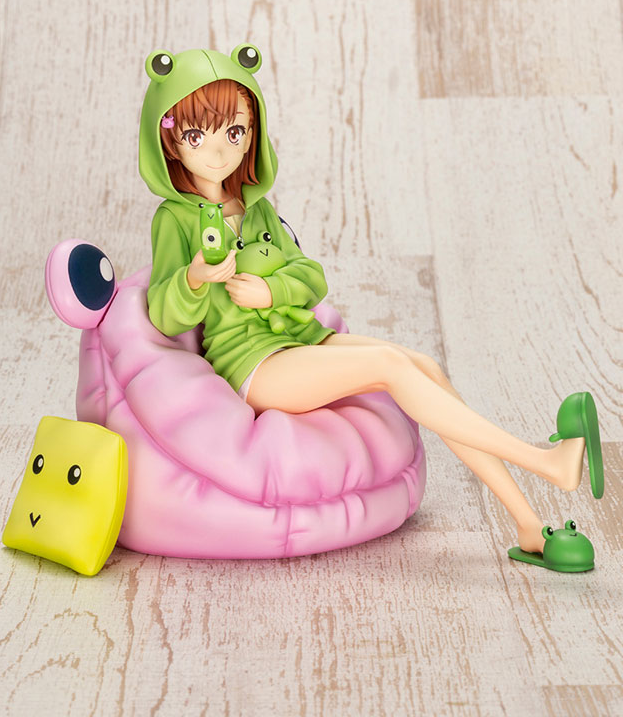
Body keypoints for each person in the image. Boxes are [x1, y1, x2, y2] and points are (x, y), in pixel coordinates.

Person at [140, 44, 603, 570]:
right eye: (196, 136)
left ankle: (527, 525)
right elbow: (164, 314)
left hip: (299, 339)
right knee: (388, 366)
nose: (218, 152)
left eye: (235, 132)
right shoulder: (174, 219)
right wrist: (195, 278)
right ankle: (546, 462)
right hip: (252, 365)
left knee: (422, 365)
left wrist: (273, 292)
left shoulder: (258, 208)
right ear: (169, 141)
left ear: (253, 133)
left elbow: (310, 277)